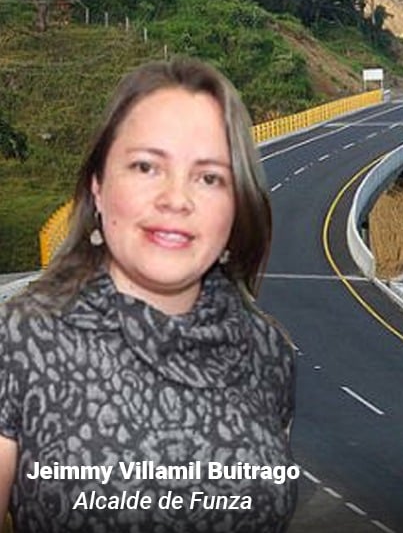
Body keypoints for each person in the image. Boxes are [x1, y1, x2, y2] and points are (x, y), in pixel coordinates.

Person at [0, 58, 296, 532]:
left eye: (208, 177)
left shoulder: (269, 354)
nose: (176, 199)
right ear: (97, 187)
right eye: (146, 166)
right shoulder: (18, 343)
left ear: (236, 205)